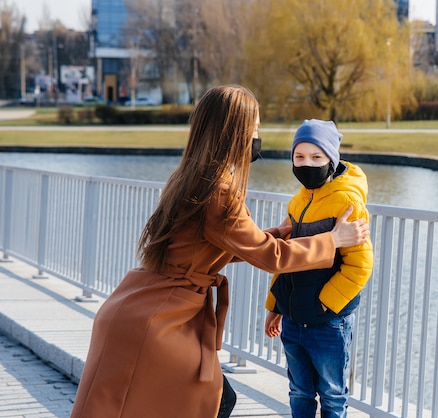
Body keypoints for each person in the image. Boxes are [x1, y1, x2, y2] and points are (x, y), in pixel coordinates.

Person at [70, 86, 369, 418]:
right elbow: (270, 256)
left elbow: (224, 244)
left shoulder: (190, 178)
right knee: (212, 400)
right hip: (160, 318)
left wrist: (280, 232)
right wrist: (333, 239)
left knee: (189, 401)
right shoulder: (218, 191)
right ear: (235, 134)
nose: (257, 139)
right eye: (254, 130)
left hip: (142, 306)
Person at [264, 119, 374, 418]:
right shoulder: (297, 202)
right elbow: (286, 259)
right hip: (293, 320)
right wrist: (275, 307)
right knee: (299, 391)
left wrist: (326, 304)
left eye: (316, 157)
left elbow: (360, 265)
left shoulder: (347, 201)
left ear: (331, 160)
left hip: (328, 324)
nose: (306, 164)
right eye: (299, 157)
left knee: (332, 395)